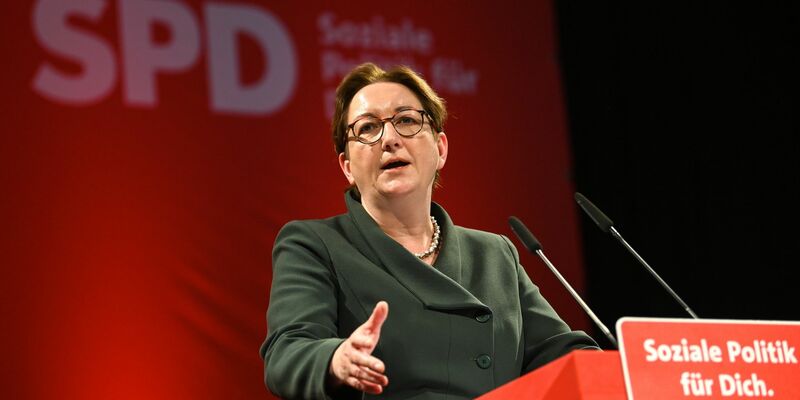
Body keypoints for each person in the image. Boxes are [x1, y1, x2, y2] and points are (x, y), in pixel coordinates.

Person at [260, 63, 599, 400]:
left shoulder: (495, 253)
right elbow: (287, 352)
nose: (390, 139)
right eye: (367, 128)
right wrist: (336, 360)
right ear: (347, 167)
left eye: (406, 120)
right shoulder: (315, 244)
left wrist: (630, 364)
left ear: (440, 149)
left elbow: (559, 354)